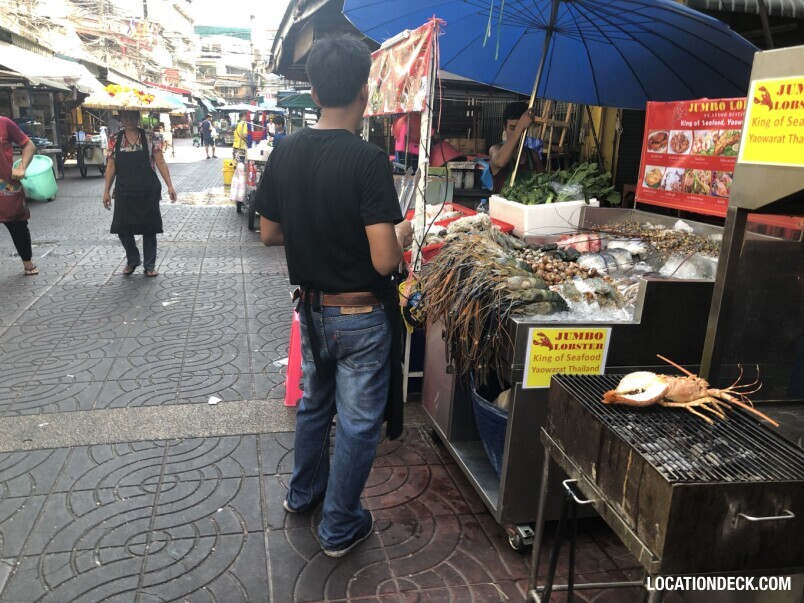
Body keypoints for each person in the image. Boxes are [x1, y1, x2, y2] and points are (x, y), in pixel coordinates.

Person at [256, 35, 413, 558]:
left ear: (315, 90)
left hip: (312, 310)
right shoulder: (368, 160)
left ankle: (303, 496)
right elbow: (385, 261)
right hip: (361, 316)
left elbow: (269, 233)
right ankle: (340, 525)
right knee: (358, 423)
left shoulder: (286, 150)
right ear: (364, 94)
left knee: (313, 408)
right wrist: (403, 235)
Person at [103, 110, 177, 277]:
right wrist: (106, 191)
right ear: (121, 118)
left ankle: (149, 265)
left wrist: (170, 186)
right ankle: (133, 259)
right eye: (125, 116)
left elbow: (160, 161)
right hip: (124, 190)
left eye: (132, 116)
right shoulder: (114, 139)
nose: (129, 120)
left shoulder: (151, 137)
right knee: (122, 228)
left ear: (138, 117)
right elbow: (111, 166)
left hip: (147, 190)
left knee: (149, 228)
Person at [0, 115, 38, 275]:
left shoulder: (4, 123)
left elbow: (29, 145)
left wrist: (22, 167)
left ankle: (27, 263)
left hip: (6, 185)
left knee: (18, 225)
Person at [489, 101, 545, 193]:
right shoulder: (495, 150)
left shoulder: (532, 156)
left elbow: (544, 182)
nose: (518, 133)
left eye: (523, 129)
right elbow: (500, 162)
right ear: (504, 127)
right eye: (512, 128)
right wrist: (520, 127)